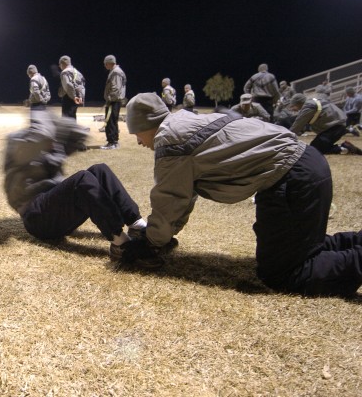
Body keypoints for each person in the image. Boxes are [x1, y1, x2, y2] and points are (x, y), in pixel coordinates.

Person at [125, 92, 362, 297]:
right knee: (303, 248)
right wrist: (161, 238)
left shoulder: (170, 141)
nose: (137, 141)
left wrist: (151, 242)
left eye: (136, 133)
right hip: (305, 165)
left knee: (286, 273)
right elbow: (184, 195)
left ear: (147, 125)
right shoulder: (183, 122)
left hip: (291, 177)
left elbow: (170, 200)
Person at [3, 110, 163, 268]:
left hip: (52, 211)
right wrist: (48, 138)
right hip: (36, 219)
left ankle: (137, 225)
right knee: (81, 179)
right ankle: (120, 244)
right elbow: (37, 136)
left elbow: (77, 134)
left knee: (100, 169)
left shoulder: (52, 146)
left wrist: (59, 136)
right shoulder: (19, 144)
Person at [287, 92, 362, 155]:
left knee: (315, 149)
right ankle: (344, 146)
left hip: (335, 127)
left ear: (299, 103)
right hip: (337, 125)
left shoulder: (308, 107)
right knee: (319, 145)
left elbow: (298, 124)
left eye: (293, 106)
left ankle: (345, 149)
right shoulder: (313, 101)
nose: (292, 109)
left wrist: (285, 137)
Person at [101, 54, 126, 150]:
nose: (104, 65)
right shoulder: (115, 71)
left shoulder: (116, 72)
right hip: (114, 100)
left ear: (110, 63)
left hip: (113, 101)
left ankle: (112, 142)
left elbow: (115, 88)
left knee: (111, 121)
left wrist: (110, 99)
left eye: (105, 63)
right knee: (111, 121)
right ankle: (112, 142)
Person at [58, 55, 85, 120]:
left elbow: (67, 84)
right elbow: (82, 85)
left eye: (60, 64)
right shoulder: (77, 72)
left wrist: (73, 96)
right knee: (72, 118)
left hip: (69, 97)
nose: (59, 66)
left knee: (66, 119)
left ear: (62, 63)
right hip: (77, 99)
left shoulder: (65, 72)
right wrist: (80, 97)